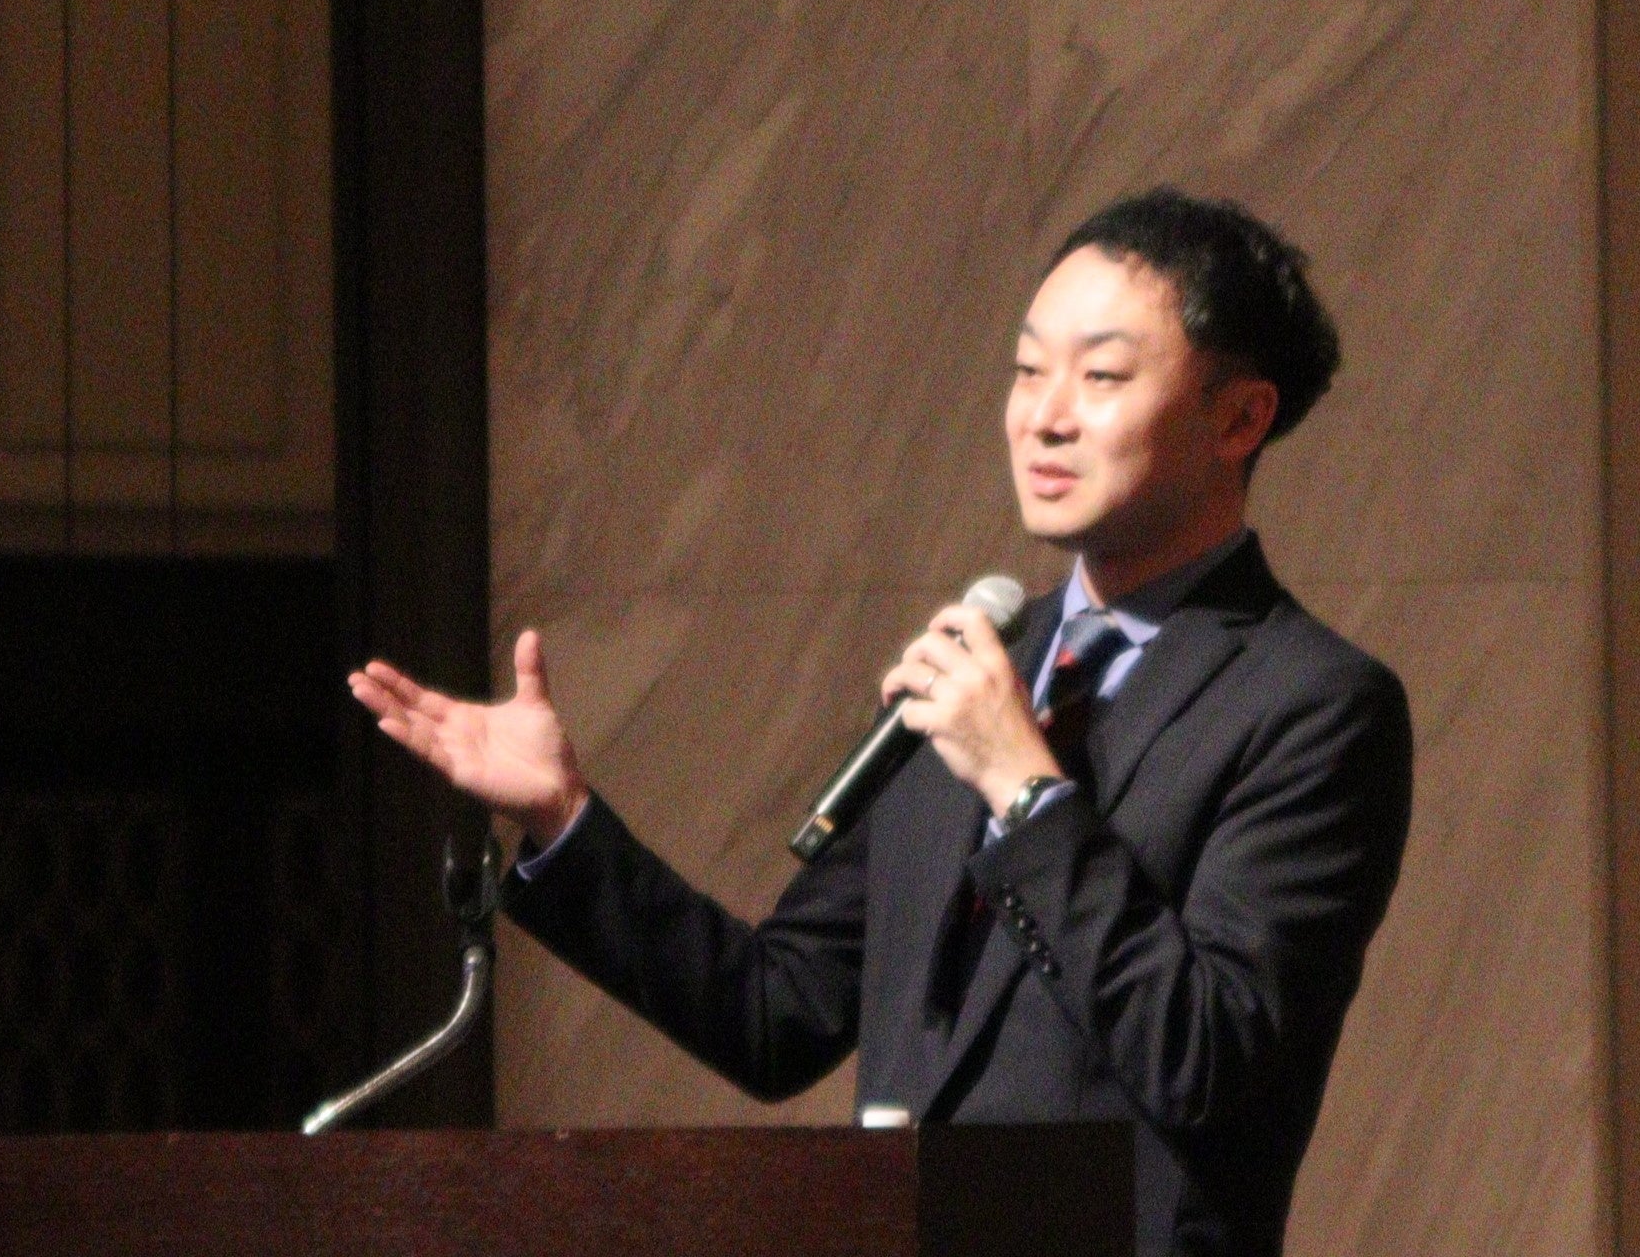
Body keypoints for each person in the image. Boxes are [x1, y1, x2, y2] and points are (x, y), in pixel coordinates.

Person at [350, 188, 1413, 1257]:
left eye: (1100, 377)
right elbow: (775, 1014)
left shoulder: (1312, 705)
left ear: (1238, 420)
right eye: (1026, 368)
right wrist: (564, 818)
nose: (1043, 416)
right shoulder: (977, 672)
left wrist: (1026, 792)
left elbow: (1209, 1056)